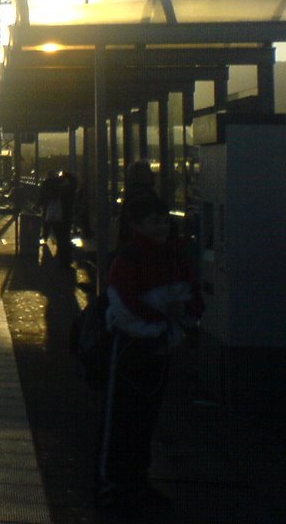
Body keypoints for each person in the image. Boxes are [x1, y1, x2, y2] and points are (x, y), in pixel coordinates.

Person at [96, 192, 204, 512]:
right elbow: (127, 302)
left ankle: (133, 482)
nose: (161, 226)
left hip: (155, 345)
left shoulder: (169, 256)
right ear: (137, 225)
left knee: (142, 419)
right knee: (124, 418)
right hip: (134, 346)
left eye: (163, 220)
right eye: (153, 221)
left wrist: (177, 317)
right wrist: (170, 317)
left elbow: (190, 297)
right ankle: (114, 485)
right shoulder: (135, 259)